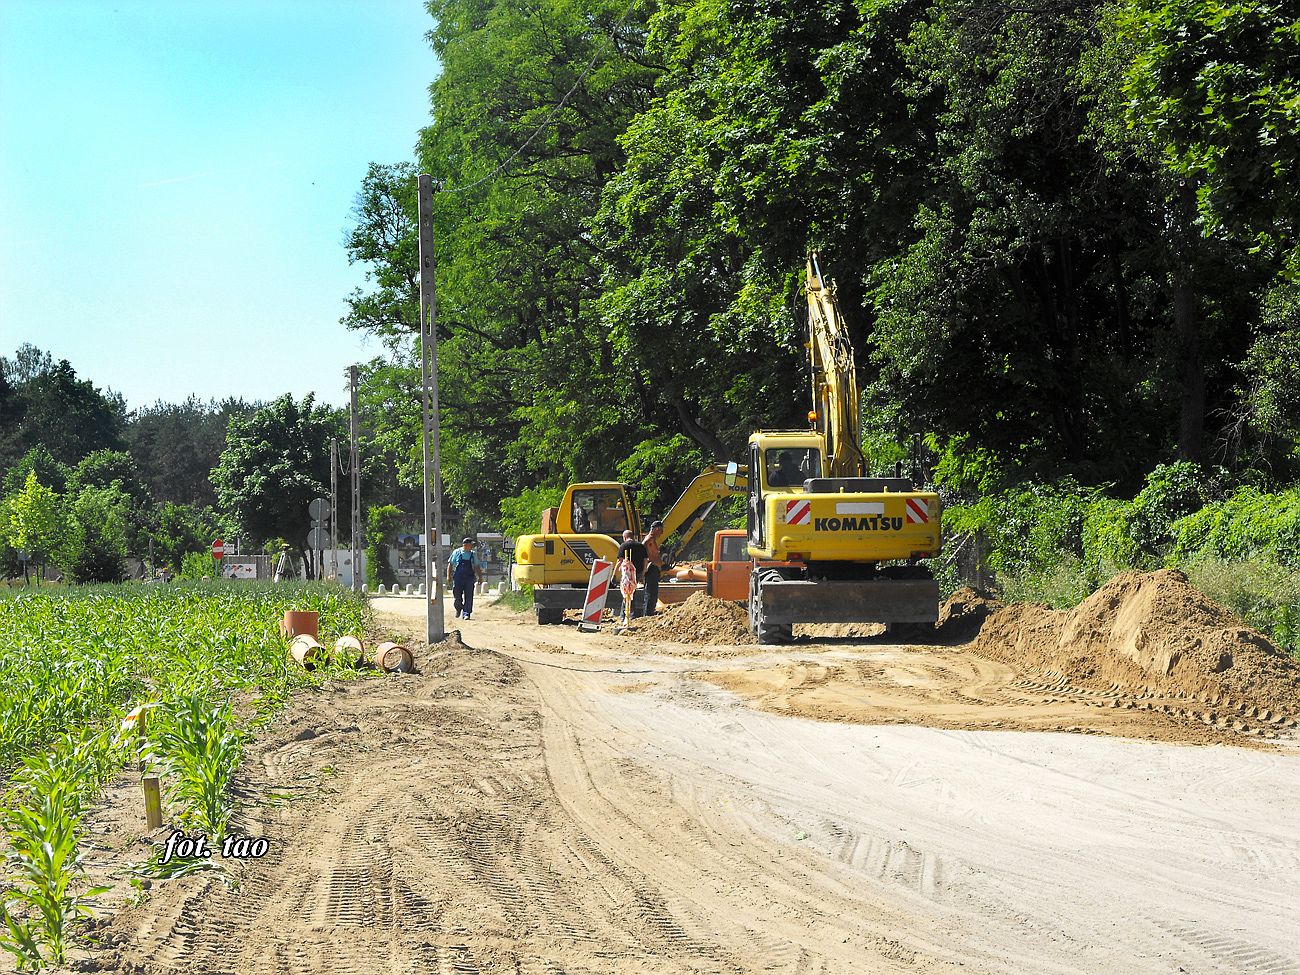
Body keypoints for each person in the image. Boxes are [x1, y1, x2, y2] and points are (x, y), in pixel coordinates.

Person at [447, 537, 484, 620]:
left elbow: (477, 566)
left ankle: (466, 613)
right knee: (457, 595)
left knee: (469, 596)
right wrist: (448, 576)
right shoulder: (456, 552)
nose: (472, 547)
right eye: (471, 545)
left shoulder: (473, 554)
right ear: (465, 545)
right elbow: (450, 564)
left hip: (469, 578)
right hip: (458, 578)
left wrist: (480, 577)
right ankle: (458, 608)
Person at [615, 529, 648, 622]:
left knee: (626, 592)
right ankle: (626, 614)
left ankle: (627, 615)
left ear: (624, 537)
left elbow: (620, 561)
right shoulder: (641, 546)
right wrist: (643, 572)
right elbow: (646, 560)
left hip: (627, 573)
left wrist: (614, 573)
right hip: (637, 572)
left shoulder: (624, 546)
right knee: (631, 592)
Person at [641, 520, 665, 617]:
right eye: (661, 531)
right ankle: (648, 614)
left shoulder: (652, 540)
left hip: (654, 568)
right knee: (650, 592)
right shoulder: (649, 540)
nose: (661, 533)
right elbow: (647, 555)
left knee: (653, 592)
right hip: (651, 569)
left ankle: (650, 612)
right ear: (657, 529)